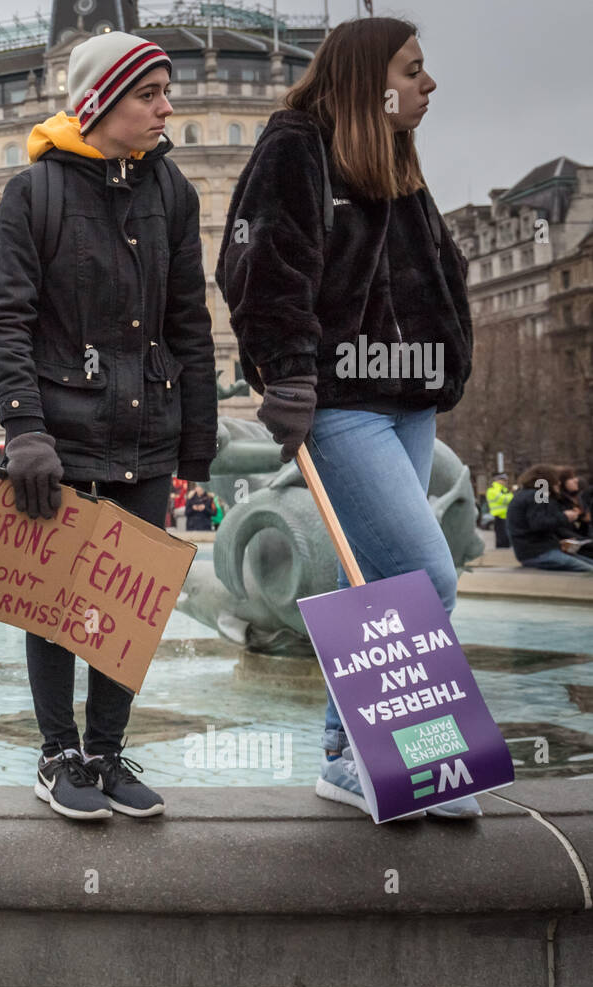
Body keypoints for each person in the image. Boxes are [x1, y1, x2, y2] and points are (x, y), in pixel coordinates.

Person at [216, 18, 481, 819]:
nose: (429, 84)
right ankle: (374, 755)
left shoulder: (392, 158)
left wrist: (447, 359)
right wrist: (289, 375)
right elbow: (261, 264)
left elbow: (436, 270)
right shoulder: (295, 144)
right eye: (414, 68)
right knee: (427, 574)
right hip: (337, 401)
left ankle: (374, 759)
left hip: (407, 398)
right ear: (372, 78)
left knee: (387, 584)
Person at [0, 31, 217, 821]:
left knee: (129, 601)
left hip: (148, 427)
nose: (166, 106)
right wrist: (25, 432)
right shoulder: (34, 193)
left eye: (166, 91)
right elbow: (5, 321)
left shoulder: (172, 192)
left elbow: (189, 322)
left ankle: (108, 753)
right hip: (58, 432)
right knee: (53, 598)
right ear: (102, 101)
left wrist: (199, 441)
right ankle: (58, 755)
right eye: (150, 93)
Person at [506, 464, 593, 571]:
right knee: (589, 570)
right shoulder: (538, 495)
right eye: (556, 479)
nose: (559, 483)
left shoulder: (526, 494)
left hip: (533, 551)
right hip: (538, 553)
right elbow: (539, 524)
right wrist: (565, 517)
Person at [485, 472, 513, 548]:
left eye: (506, 480)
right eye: (503, 479)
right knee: (501, 538)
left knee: (507, 538)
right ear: (497, 480)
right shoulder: (492, 490)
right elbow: (506, 499)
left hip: (506, 516)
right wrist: (510, 497)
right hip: (499, 516)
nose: (505, 482)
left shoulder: (505, 490)